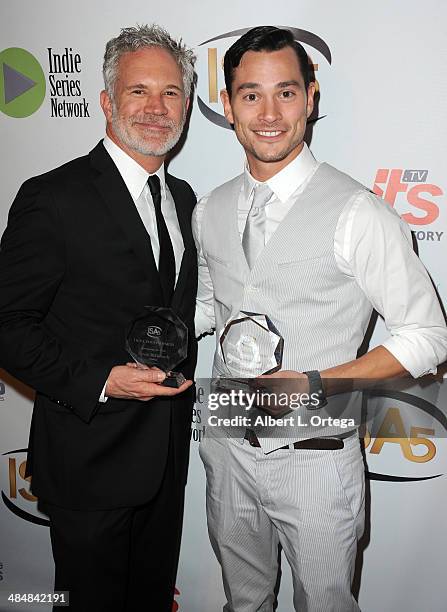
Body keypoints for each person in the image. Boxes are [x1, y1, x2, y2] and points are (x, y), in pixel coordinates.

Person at [193, 26, 447, 612]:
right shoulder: (211, 207)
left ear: (312, 98)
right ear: (228, 107)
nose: (269, 113)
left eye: (286, 92)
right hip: (227, 449)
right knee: (244, 603)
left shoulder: (360, 212)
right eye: (250, 95)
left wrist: (316, 385)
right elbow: (212, 306)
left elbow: (428, 336)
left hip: (316, 460)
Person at [0, 24, 197, 612]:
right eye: (139, 92)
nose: (157, 109)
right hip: (89, 462)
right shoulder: (53, 197)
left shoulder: (185, 198)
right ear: (108, 102)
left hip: (165, 462)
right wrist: (102, 379)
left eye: (170, 93)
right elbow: (6, 322)